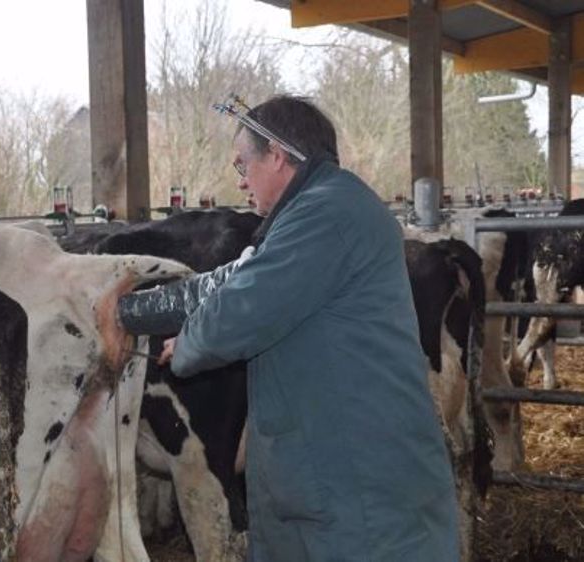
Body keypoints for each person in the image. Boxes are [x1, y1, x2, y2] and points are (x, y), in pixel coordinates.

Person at [99, 95, 459, 561]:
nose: (241, 181)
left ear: (279, 155)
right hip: (333, 472)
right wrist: (127, 311)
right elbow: (228, 283)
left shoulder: (327, 215)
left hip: (358, 485)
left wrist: (188, 343)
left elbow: (241, 309)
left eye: (244, 164)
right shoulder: (315, 210)